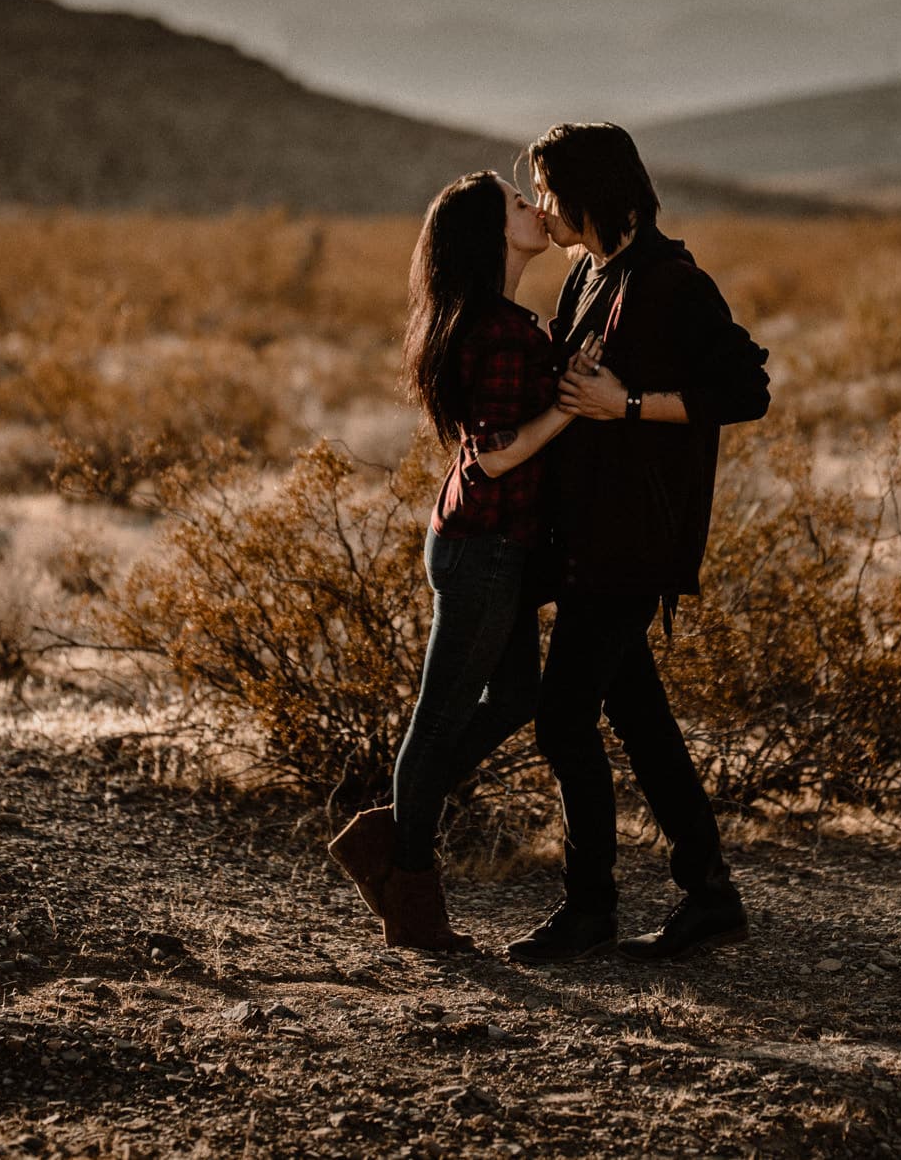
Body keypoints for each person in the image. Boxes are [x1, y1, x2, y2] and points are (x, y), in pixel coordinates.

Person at [503, 122, 772, 964]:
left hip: (633, 538)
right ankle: (710, 892)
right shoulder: (588, 275)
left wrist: (628, 404)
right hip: (592, 533)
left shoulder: (669, 280)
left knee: (563, 720)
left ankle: (591, 907)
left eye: (548, 188)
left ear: (592, 188)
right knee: (642, 720)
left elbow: (746, 388)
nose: (543, 206)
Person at [326, 170, 594, 952]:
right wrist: (568, 409)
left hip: (487, 545)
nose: (536, 209)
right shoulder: (495, 331)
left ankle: (389, 833)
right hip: (482, 548)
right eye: (519, 204)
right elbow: (495, 455)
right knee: (439, 719)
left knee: (513, 698)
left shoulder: (505, 319)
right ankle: (410, 893)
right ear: (489, 234)